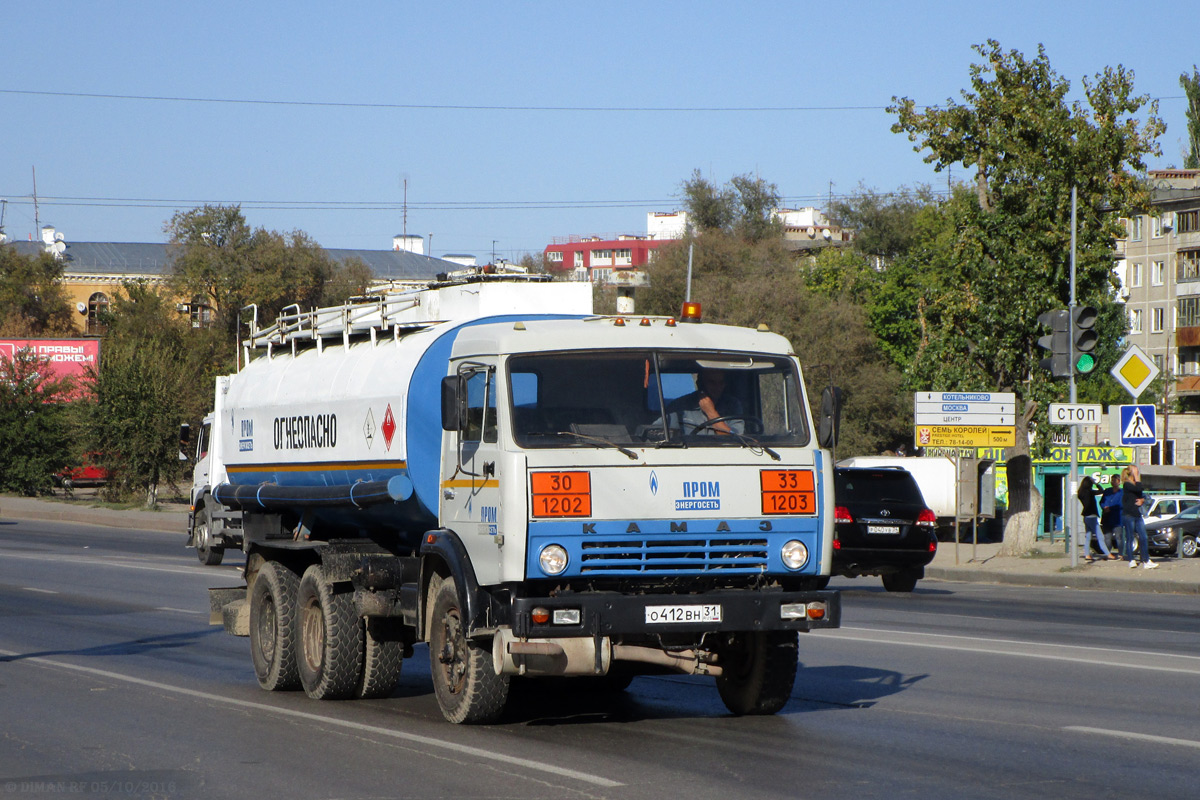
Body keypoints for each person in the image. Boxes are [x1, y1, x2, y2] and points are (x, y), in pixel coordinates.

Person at [662, 368, 744, 436]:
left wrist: (711, 412)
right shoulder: (679, 406)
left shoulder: (733, 405)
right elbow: (658, 432)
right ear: (700, 384)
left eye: (721, 383)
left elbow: (736, 439)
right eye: (712, 383)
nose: (717, 388)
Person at [1121, 464, 1158, 570]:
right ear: (1130, 472)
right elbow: (1139, 488)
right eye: (1135, 471)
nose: (1137, 472)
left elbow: (1141, 494)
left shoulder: (1134, 484)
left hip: (1137, 515)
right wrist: (1137, 478)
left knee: (1144, 537)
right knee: (1130, 537)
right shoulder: (1127, 484)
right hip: (1128, 515)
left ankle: (1146, 560)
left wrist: (1142, 500)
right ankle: (1131, 560)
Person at [1078, 475, 1113, 561]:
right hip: (1092, 517)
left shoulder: (1081, 493)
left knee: (1088, 537)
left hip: (1086, 517)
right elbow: (1101, 491)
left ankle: (1087, 554)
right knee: (1100, 536)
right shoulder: (1090, 492)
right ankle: (1108, 553)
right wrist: (1096, 483)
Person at [1099, 474, 1123, 556]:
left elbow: (1121, 504)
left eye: (1115, 480)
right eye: (1112, 480)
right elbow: (1102, 501)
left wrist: (1111, 508)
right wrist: (1104, 507)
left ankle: (1121, 554)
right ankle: (1108, 554)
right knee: (1107, 537)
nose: (1113, 482)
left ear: (1119, 482)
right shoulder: (1107, 491)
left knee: (1118, 537)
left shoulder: (1122, 492)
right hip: (1107, 518)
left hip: (1117, 518)